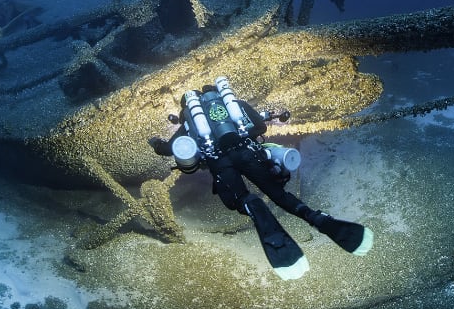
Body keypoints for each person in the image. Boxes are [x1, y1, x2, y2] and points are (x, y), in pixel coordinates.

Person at [148, 75, 373, 280]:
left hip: (220, 162)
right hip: (248, 152)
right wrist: (245, 137)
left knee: (240, 198)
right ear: (218, 94)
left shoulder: (190, 120)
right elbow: (259, 125)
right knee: (279, 195)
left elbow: (170, 150)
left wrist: (156, 143)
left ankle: (253, 206)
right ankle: (317, 218)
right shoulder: (234, 105)